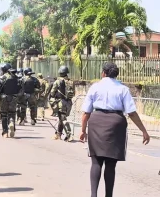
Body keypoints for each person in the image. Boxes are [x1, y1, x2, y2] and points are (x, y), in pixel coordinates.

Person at [80, 62, 150, 197]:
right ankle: (109, 195)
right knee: (111, 164)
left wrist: (83, 130)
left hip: (96, 122)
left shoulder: (95, 87)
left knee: (96, 161)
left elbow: (86, 112)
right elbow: (132, 113)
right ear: (116, 74)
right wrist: (144, 131)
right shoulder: (123, 89)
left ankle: (93, 195)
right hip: (116, 123)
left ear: (103, 73)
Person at [0, 63, 20, 138]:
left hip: (4, 98)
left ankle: (5, 132)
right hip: (14, 98)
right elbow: (20, 88)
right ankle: (11, 122)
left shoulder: (2, 77)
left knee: (4, 115)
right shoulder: (16, 77)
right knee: (12, 113)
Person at [49, 66, 75, 141]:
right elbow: (73, 93)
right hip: (69, 103)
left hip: (61, 102)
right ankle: (58, 134)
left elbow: (52, 92)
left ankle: (69, 134)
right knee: (61, 118)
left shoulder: (57, 81)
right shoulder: (71, 82)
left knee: (63, 119)